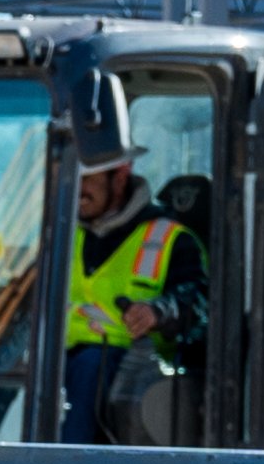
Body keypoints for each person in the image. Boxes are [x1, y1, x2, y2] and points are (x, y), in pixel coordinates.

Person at [60, 135, 182, 440]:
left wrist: (158, 312)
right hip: (55, 359)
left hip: (130, 368)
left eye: (88, 177)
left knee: (89, 369)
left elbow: (202, 302)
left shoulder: (169, 238)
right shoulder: (61, 231)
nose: (78, 189)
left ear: (121, 174)